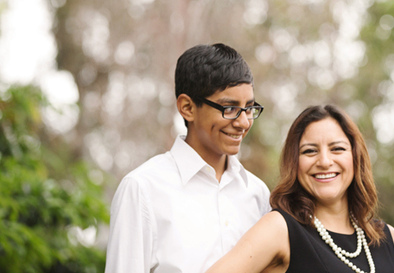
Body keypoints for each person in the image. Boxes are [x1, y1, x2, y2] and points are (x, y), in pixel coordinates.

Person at [104, 43, 270, 273]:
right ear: (187, 107)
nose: (243, 122)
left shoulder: (259, 194)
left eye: (249, 108)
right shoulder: (142, 190)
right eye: (229, 108)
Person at [205, 104, 394, 273]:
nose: (324, 162)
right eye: (310, 151)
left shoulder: (388, 238)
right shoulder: (279, 228)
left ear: (355, 157)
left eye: (337, 149)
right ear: (294, 162)